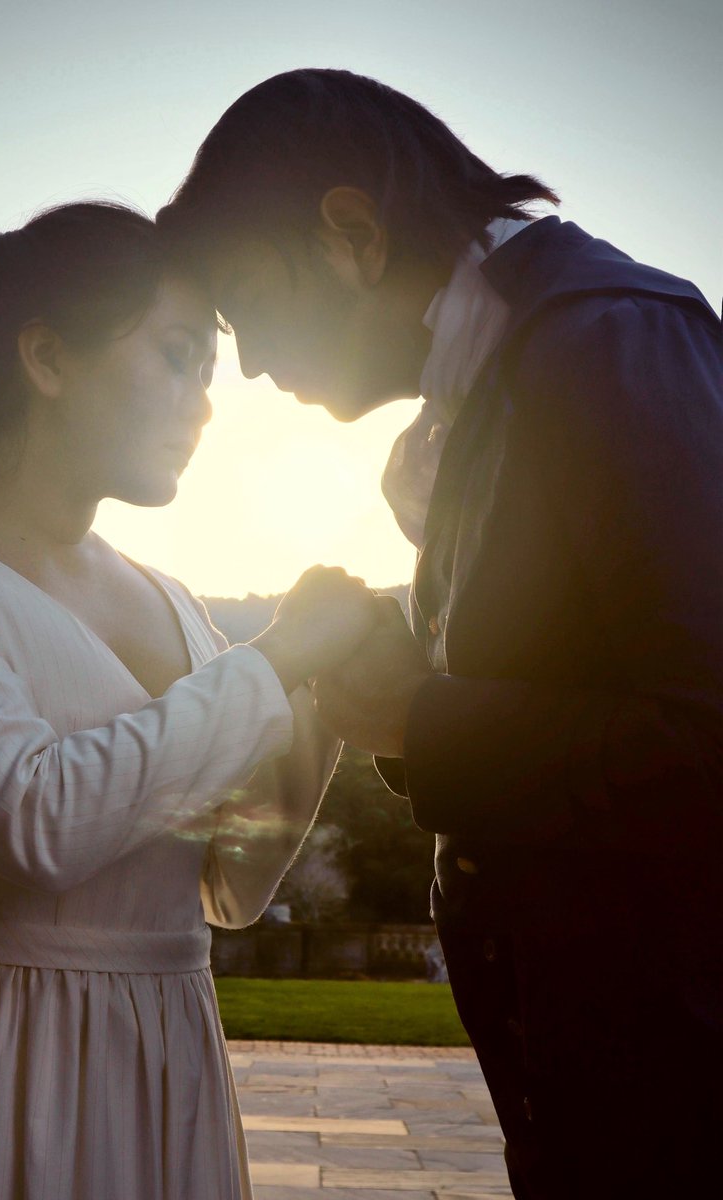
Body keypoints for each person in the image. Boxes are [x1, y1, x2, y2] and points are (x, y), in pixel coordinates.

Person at [157, 69, 723, 1198]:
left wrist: (422, 717)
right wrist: (409, 686)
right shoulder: (499, 376)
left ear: (351, 230)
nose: (256, 361)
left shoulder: (610, 340)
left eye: (250, 298)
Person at [0, 200, 381, 1200]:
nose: (205, 404)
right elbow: (36, 820)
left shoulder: (179, 605)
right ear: (49, 359)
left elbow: (235, 881)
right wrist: (278, 661)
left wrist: (330, 691)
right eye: (180, 355)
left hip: (156, 1064)